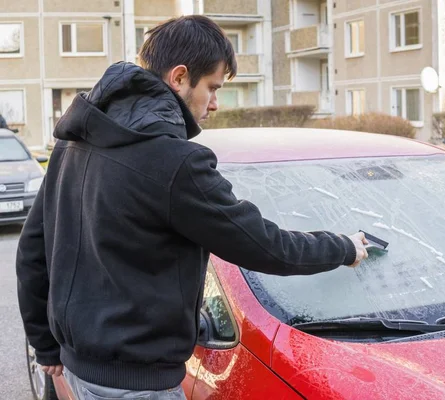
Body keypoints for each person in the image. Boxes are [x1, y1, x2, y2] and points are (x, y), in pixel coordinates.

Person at [16, 15, 369, 399]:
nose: (215, 103)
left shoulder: (72, 144)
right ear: (180, 77)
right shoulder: (175, 162)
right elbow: (265, 245)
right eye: (212, 88)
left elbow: (33, 251)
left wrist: (46, 346)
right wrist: (344, 247)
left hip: (79, 373)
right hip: (138, 387)